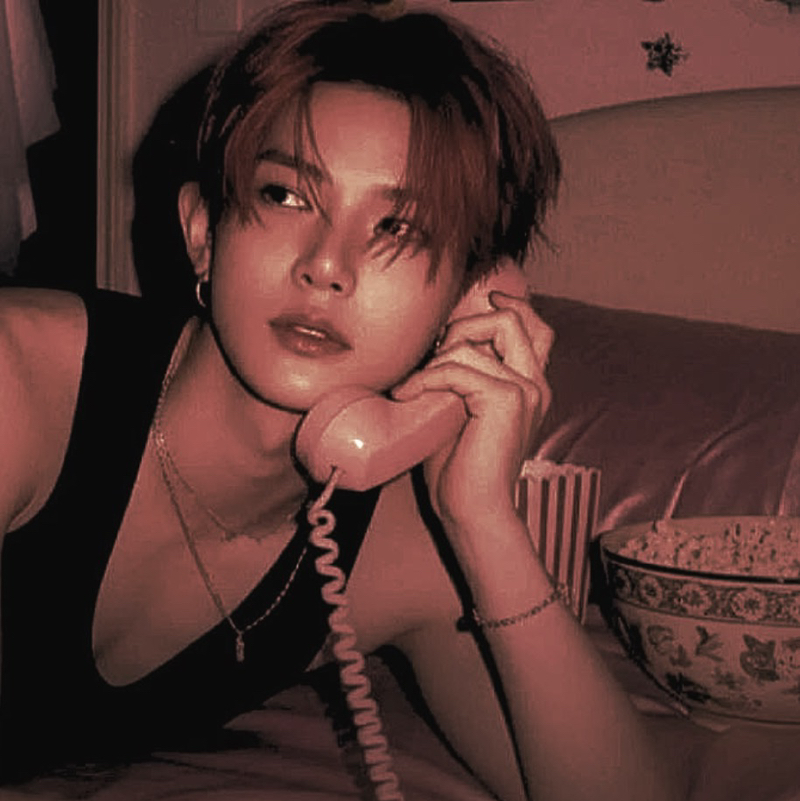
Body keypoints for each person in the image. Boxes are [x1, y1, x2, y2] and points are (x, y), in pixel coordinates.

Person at [0, 1, 680, 798]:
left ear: (467, 300)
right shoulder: (18, 384)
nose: (327, 265)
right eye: (287, 194)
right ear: (203, 233)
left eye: (399, 227)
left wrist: (484, 521)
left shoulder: (394, 547)